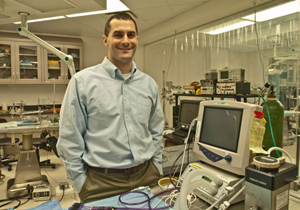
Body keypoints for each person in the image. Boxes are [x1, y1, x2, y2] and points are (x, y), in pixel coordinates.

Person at [56, 12, 165, 203]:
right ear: (106, 40)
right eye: (118, 35)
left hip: (147, 175)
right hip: (100, 183)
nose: (125, 40)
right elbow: (69, 138)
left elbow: (156, 130)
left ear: (137, 39)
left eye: (130, 35)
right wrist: (81, 182)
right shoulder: (82, 82)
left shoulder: (149, 84)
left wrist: (156, 166)